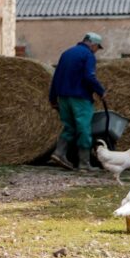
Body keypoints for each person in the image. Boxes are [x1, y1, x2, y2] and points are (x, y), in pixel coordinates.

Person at [48, 32, 107, 171]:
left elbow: (56, 77)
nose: (97, 50)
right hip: (80, 98)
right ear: (93, 44)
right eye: (97, 47)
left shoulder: (66, 53)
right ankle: (84, 163)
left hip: (63, 98)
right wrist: (101, 91)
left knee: (69, 127)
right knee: (84, 128)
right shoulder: (88, 55)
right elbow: (89, 76)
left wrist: (52, 98)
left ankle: (59, 153)